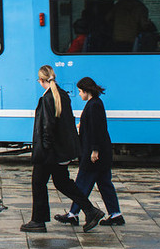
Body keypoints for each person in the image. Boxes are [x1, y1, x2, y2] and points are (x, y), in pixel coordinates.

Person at [20, 65, 97, 233]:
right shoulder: (62, 94)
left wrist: (45, 149)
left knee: (38, 183)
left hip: (50, 151)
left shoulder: (48, 98)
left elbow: (48, 126)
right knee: (63, 183)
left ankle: (38, 221)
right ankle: (91, 210)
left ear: (41, 80)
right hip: (61, 150)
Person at [64, 76, 123, 228]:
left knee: (82, 183)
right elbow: (93, 126)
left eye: (80, 91)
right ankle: (116, 214)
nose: (79, 94)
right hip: (99, 152)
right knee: (104, 184)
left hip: (93, 153)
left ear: (86, 91)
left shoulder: (94, 105)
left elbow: (98, 130)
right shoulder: (94, 103)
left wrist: (94, 151)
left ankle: (73, 214)